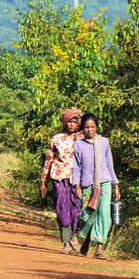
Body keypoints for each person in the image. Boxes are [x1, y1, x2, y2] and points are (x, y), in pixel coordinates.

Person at [72, 113, 120, 260]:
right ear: (82, 129)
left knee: (104, 215)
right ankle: (83, 239)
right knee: (87, 216)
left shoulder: (104, 142)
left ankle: (99, 248)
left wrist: (116, 185)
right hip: (87, 185)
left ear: (97, 127)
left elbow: (110, 164)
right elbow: (76, 167)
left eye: (92, 127)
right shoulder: (79, 145)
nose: (90, 130)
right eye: (86, 127)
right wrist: (76, 185)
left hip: (104, 183)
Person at [40, 108, 84, 254]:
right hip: (58, 178)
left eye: (75, 122)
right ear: (65, 123)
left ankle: (72, 235)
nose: (72, 125)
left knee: (75, 210)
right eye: (69, 122)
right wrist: (43, 181)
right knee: (62, 210)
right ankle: (67, 241)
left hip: (76, 180)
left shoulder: (82, 139)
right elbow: (49, 160)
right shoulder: (57, 139)